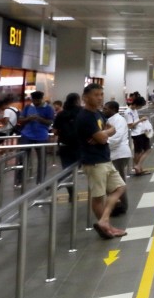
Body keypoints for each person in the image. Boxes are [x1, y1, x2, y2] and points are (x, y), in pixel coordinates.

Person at [75, 83, 126, 239]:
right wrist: (103, 135)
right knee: (98, 197)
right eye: (96, 95)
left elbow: (111, 129)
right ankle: (106, 227)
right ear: (85, 97)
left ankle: (104, 221)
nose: (99, 98)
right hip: (94, 161)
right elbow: (103, 139)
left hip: (104, 158)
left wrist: (103, 133)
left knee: (120, 187)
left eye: (100, 94)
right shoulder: (84, 117)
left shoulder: (97, 113)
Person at [17, 90, 55, 186]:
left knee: (42, 159)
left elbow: (50, 122)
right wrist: (28, 119)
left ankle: (40, 181)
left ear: (42, 99)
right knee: (22, 158)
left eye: (38, 101)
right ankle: (19, 180)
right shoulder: (28, 107)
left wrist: (39, 119)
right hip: (26, 135)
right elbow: (20, 120)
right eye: (34, 101)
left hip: (41, 136)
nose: (36, 103)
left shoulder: (49, 108)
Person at [103, 101, 131, 216]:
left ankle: (122, 205)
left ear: (113, 109)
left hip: (119, 154)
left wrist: (101, 143)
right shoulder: (110, 120)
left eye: (106, 109)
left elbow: (116, 138)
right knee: (115, 182)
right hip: (114, 154)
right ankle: (117, 204)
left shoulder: (118, 120)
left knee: (118, 182)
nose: (104, 110)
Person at [52, 92, 81, 200]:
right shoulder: (82, 112)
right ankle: (57, 182)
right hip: (79, 145)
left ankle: (71, 194)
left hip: (64, 145)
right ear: (78, 100)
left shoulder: (61, 114)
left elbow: (54, 131)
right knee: (76, 168)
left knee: (67, 169)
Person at [129, 96, 152, 175]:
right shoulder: (128, 112)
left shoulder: (134, 110)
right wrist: (141, 120)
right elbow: (130, 125)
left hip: (140, 131)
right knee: (144, 150)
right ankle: (138, 167)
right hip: (136, 134)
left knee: (140, 151)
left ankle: (138, 169)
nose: (140, 108)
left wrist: (140, 120)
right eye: (140, 106)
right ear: (135, 104)